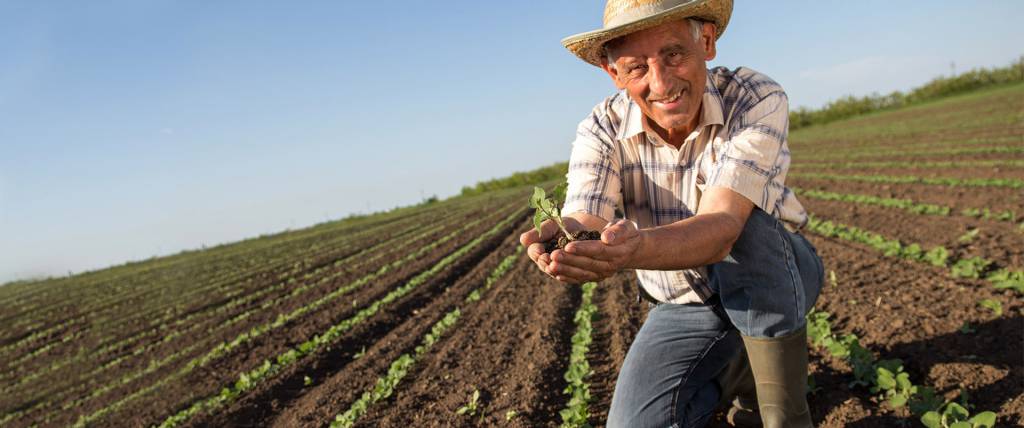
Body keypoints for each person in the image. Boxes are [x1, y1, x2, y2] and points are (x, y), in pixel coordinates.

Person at [518, 1, 824, 427]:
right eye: (637, 67)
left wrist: (636, 248)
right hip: (683, 303)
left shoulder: (752, 98)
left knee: (749, 226)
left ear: (707, 42)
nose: (661, 82)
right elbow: (587, 216)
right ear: (615, 75)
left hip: (777, 278)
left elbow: (723, 229)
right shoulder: (602, 128)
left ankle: (782, 416)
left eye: (674, 54)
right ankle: (737, 368)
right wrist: (570, 237)